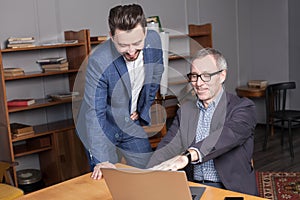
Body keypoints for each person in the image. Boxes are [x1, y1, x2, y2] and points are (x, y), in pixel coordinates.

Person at [147, 48, 258, 196]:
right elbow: (167, 147)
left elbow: (226, 135)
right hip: (193, 187)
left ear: (222, 75)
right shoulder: (185, 111)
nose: (198, 83)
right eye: (194, 76)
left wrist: (188, 156)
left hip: (230, 189)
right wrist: (145, 174)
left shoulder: (243, 107)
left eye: (206, 76)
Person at [76, 4, 164, 180]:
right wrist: (101, 161)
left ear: (145, 33)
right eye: (123, 45)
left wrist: (141, 109)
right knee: (108, 179)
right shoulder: (99, 61)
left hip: (130, 122)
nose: (131, 52)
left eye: (137, 43)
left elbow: (156, 74)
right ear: (112, 37)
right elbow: (94, 112)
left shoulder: (154, 40)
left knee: (147, 175)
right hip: (102, 126)